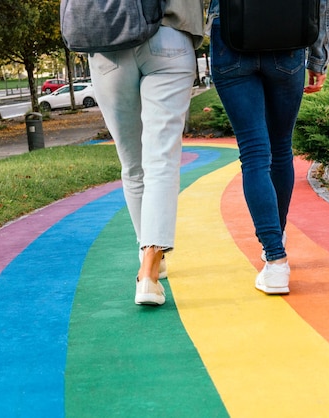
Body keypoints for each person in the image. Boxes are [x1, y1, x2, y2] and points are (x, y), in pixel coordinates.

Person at [207, 0, 329, 294]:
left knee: (254, 153)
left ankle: (276, 259)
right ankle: (274, 246)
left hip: (231, 32)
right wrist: (319, 57)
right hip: (288, 33)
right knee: (280, 148)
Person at [88, 0, 205, 306]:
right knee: (162, 159)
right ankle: (150, 268)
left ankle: (149, 259)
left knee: (132, 164)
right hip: (171, 34)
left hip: (108, 36)